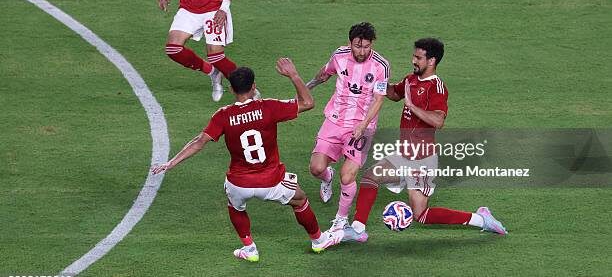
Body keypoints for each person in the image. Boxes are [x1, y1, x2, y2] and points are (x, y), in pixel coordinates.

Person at [152, 59, 343, 262]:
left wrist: (170, 163)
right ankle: (318, 240)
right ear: (253, 87)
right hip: (271, 181)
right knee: (300, 199)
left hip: (239, 183)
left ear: (232, 90)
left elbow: (199, 142)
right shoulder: (268, 107)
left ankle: (249, 249)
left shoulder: (222, 115)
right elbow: (308, 103)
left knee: (235, 206)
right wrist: (294, 75)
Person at [343, 38, 508, 243]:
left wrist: (412, 107)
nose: (414, 60)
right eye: (414, 55)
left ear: (432, 61)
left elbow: (438, 120)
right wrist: (375, 81)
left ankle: (481, 219)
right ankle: (358, 229)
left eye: (418, 57)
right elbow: (394, 93)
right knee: (370, 177)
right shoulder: (411, 79)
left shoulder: (437, 87)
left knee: (421, 215)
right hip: (404, 154)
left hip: (422, 161)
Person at [306, 22, 390, 232]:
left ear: (372, 44)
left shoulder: (381, 66)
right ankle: (327, 177)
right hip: (334, 120)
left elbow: (379, 100)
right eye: (357, 46)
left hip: (362, 125)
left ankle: (341, 219)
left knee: (348, 175)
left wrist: (363, 124)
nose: (361, 51)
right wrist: (307, 87)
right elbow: (324, 73)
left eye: (366, 47)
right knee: (316, 168)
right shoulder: (339, 55)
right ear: (350, 42)